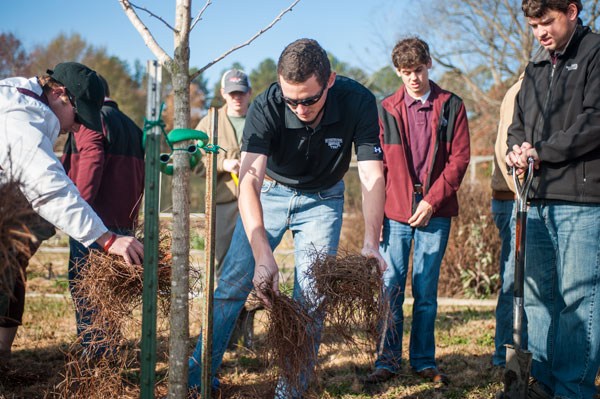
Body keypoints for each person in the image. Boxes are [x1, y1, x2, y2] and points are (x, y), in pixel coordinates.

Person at [187, 38, 386, 398]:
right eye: (291, 98)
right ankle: (195, 379)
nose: (299, 107)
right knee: (232, 283)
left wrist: (371, 241)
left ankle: (288, 392)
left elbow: (371, 174)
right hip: (272, 193)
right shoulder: (266, 105)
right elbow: (248, 180)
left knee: (311, 298)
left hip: (324, 199)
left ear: (330, 81)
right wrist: (263, 255)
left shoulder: (358, 101)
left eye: (309, 99)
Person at [0, 62, 143, 362]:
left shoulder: (25, 104)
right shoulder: (19, 116)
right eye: (78, 116)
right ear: (60, 94)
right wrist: (104, 237)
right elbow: (48, 186)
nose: (77, 126)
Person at [505, 1, 600, 398]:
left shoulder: (595, 52)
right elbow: (517, 125)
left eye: (547, 22)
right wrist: (515, 150)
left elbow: (595, 121)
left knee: (578, 302)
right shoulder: (536, 67)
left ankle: (573, 389)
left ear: (573, 11)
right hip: (534, 198)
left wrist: (541, 150)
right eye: (533, 25)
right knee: (538, 300)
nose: (540, 32)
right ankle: (541, 384)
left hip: (580, 200)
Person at [366, 37, 470, 385]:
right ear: (398, 71)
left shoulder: (452, 105)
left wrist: (431, 200)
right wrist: (376, 217)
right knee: (390, 288)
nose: (413, 78)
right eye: (405, 72)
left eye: (418, 70)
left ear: (430, 63)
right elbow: (377, 168)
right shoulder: (386, 108)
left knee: (426, 292)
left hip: (435, 213)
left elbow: (459, 160)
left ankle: (424, 361)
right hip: (395, 215)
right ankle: (387, 360)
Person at [61, 74, 145, 354]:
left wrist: (77, 211)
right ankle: (106, 352)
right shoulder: (133, 126)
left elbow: (92, 161)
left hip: (95, 224)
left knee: (88, 291)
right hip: (124, 224)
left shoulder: (90, 120)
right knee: (109, 295)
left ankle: (96, 358)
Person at [195, 69, 255, 350]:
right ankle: (225, 334)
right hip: (224, 204)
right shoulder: (210, 122)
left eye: (241, 92)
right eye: (232, 93)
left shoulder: (259, 117)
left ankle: (246, 334)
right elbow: (194, 161)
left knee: (252, 269)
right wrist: (222, 164)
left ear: (249, 92)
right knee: (225, 268)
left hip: (257, 202)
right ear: (223, 94)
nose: (237, 98)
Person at [490, 74, 524, 368]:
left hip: (515, 197)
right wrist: (521, 192)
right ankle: (505, 354)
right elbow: (505, 149)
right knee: (514, 280)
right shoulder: (522, 89)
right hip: (512, 198)